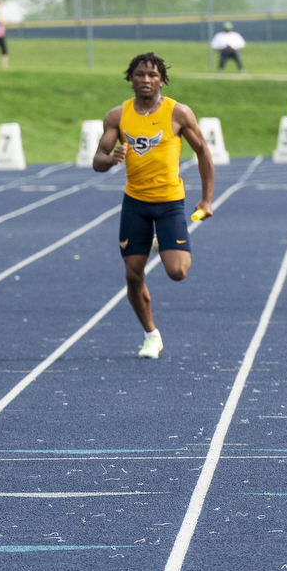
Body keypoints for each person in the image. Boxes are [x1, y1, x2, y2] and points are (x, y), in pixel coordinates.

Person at [92, 52, 215, 359]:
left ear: (162, 79)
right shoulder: (117, 116)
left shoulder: (178, 113)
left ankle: (161, 242)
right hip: (135, 203)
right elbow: (97, 160)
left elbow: (203, 153)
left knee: (177, 272)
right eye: (140, 74)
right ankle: (151, 335)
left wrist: (207, 198)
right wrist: (111, 159)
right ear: (130, 78)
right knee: (133, 274)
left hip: (170, 202)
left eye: (152, 75)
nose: (146, 80)